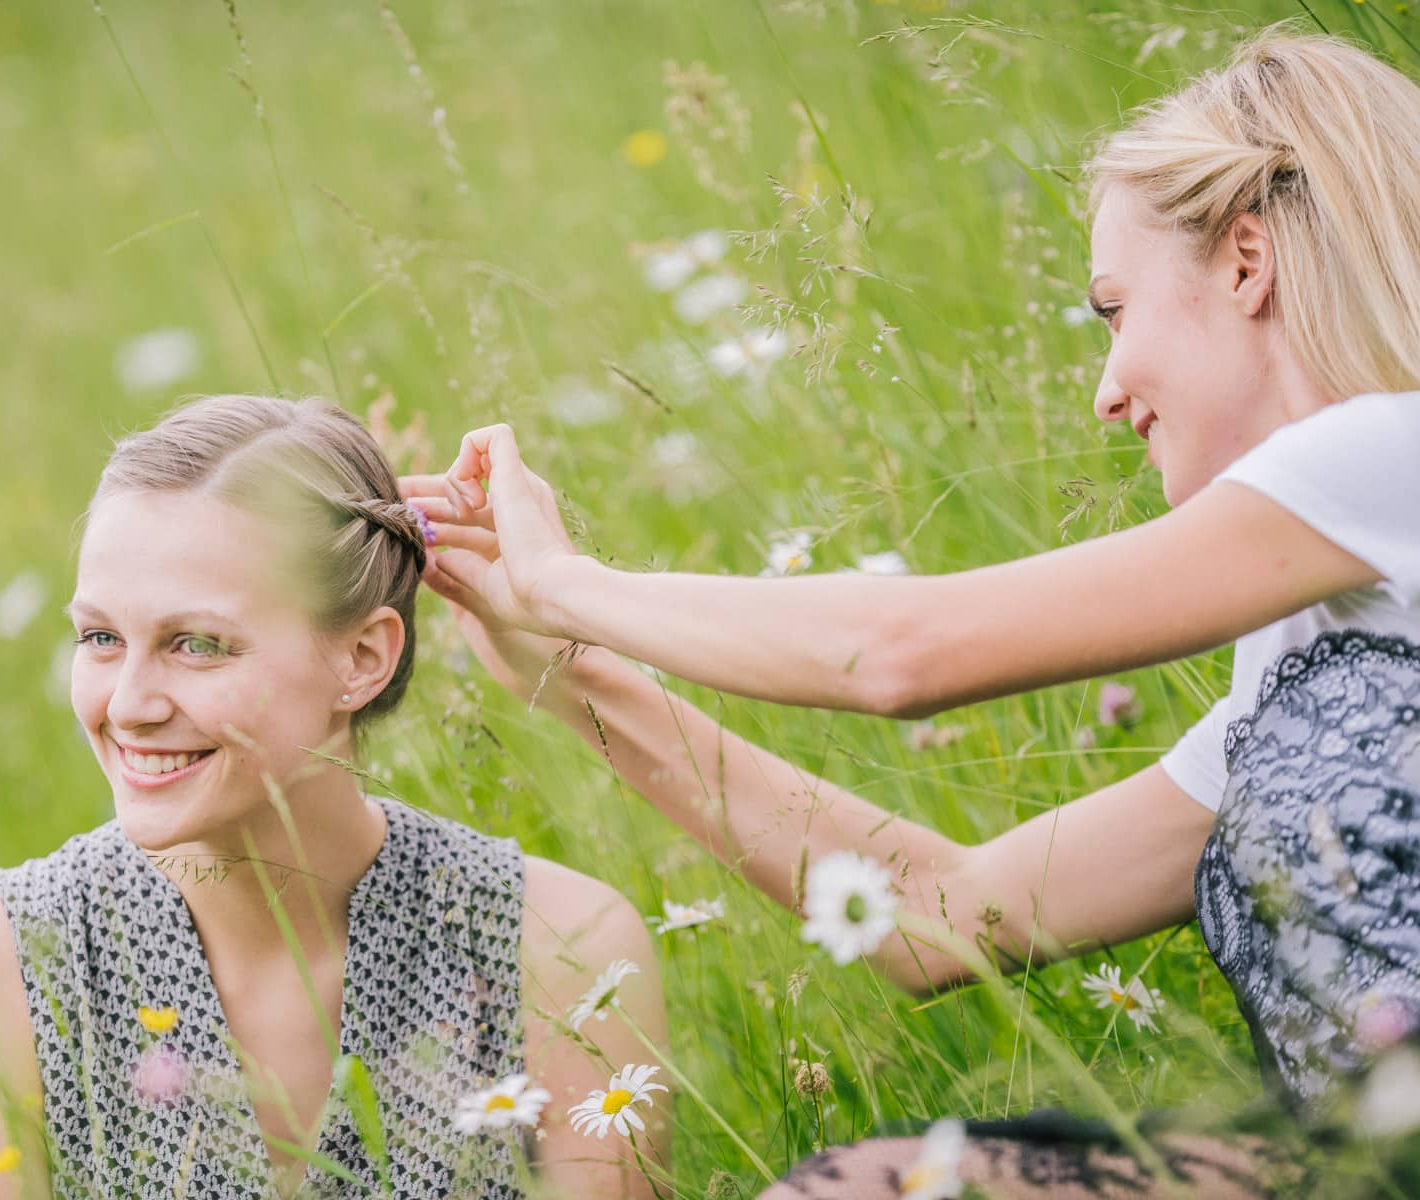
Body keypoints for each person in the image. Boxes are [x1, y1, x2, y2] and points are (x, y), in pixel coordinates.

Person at [403, 30, 1420, 1198]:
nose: (1104, 392)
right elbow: (944, 918)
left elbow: (901, 654)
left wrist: (568, 582)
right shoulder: (1306, 663)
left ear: (1247, 261)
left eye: (1113, 308)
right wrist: (571, 672)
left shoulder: (1395, 452)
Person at [0, 395, 669, 1199]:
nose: (127, 705)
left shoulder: (556, 947)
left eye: (196, 644)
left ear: (362, 657)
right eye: (100, 638)